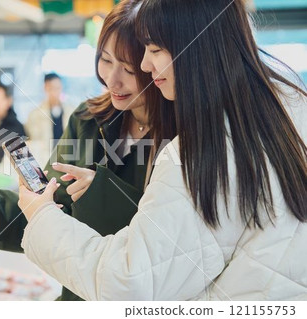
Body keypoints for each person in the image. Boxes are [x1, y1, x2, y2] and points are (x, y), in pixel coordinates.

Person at [17, 0, 307, 300]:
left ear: (196, 48)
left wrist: (44, 218)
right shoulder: (290, 104)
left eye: (154, 50)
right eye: (105, 59)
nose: (145, 64)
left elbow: (131, 282)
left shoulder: (197, 149)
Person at [0, 0, 176, 301]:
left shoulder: (183, 136)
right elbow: (50, 210)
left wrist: (103, 193)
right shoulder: (88, 120)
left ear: (155, 63)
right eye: (106, 60)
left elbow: (168, 246)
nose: (112, 80)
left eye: (127, 68)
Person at [25, 73, 74, 166]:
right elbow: (33, 141)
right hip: (45, 160)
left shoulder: (72, 112)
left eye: (57, 88)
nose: (54, 92)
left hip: (68, 159)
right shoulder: (34, 115)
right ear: (45, 89)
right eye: (51, 88)